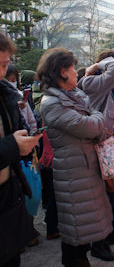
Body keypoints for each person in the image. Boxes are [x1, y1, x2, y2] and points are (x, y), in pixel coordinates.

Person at [38, 47, 113, 267]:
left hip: (84, 168)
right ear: (62, 72)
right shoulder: (52, 103)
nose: (76, 74)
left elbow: (93, 124)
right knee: (75, 226)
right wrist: (98, 115)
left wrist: (95, 118)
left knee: (85, 221)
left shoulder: (74, 95)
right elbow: (90, 127)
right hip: (73, 172)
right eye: (72, 69)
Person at [77, 50, 114, 261]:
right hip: (100, 144)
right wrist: (98, 66)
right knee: (105, 195)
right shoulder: (92, 81)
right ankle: (100, 242)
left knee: (113, 191)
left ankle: (108, 233)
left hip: (108, 142)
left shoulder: (103, 83)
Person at [0, 32, 41, 267]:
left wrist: (21, 144)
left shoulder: (5, 95)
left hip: (8, 193)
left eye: (4, 65)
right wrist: (12, 145)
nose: (1, 73)